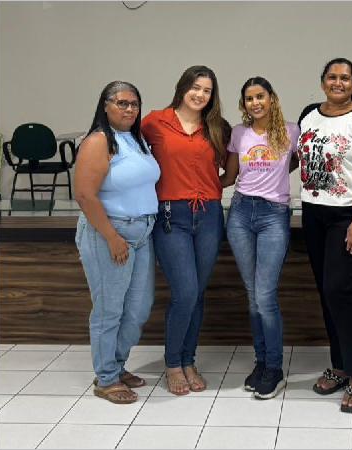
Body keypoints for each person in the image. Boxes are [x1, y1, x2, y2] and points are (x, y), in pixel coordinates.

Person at [298, 58, 352, 413]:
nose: (338, 82)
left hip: (346, 215)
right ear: (322, 82)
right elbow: (297, 158)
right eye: (332, 77)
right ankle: (339, 366)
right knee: (326, 292)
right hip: (312, 213)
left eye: (345, 78)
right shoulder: (308, 114)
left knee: (340, 291)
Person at [141, 66, 231, 395]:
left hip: (208, 214)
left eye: (207, 90)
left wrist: (211, 188)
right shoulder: (155, 122)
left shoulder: (217, 128)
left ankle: (188, 360)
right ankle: (173, 364)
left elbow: (232, 169)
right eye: (195, 87)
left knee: (198, 292)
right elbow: (126, 149)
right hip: (171, 216)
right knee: (185, 293)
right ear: (182, 88)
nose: (200, 95)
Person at [74, 81, 160, 404]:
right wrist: (111, 237)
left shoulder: (136, 139)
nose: (129, 109)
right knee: (109, 310)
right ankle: (106, 378)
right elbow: (84, 195)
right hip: (109, 233)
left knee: (138, 308)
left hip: (142, 233)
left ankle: (116, 365)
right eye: (122, 103)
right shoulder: (98, 141)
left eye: (134, 104)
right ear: (106, 105)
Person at [220, 77, 300, 399]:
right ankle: (261, 362)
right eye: (249, 98)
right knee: (253, 296)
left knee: (265, 297)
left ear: (271, 98)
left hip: (273, 215)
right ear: (244, 103)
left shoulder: (291, 131)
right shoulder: (239, 133)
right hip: (240, 213)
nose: (255, 103)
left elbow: (296, 162)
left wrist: (275, 181)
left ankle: (275, 369)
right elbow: (229, 176)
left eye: (260, 96)